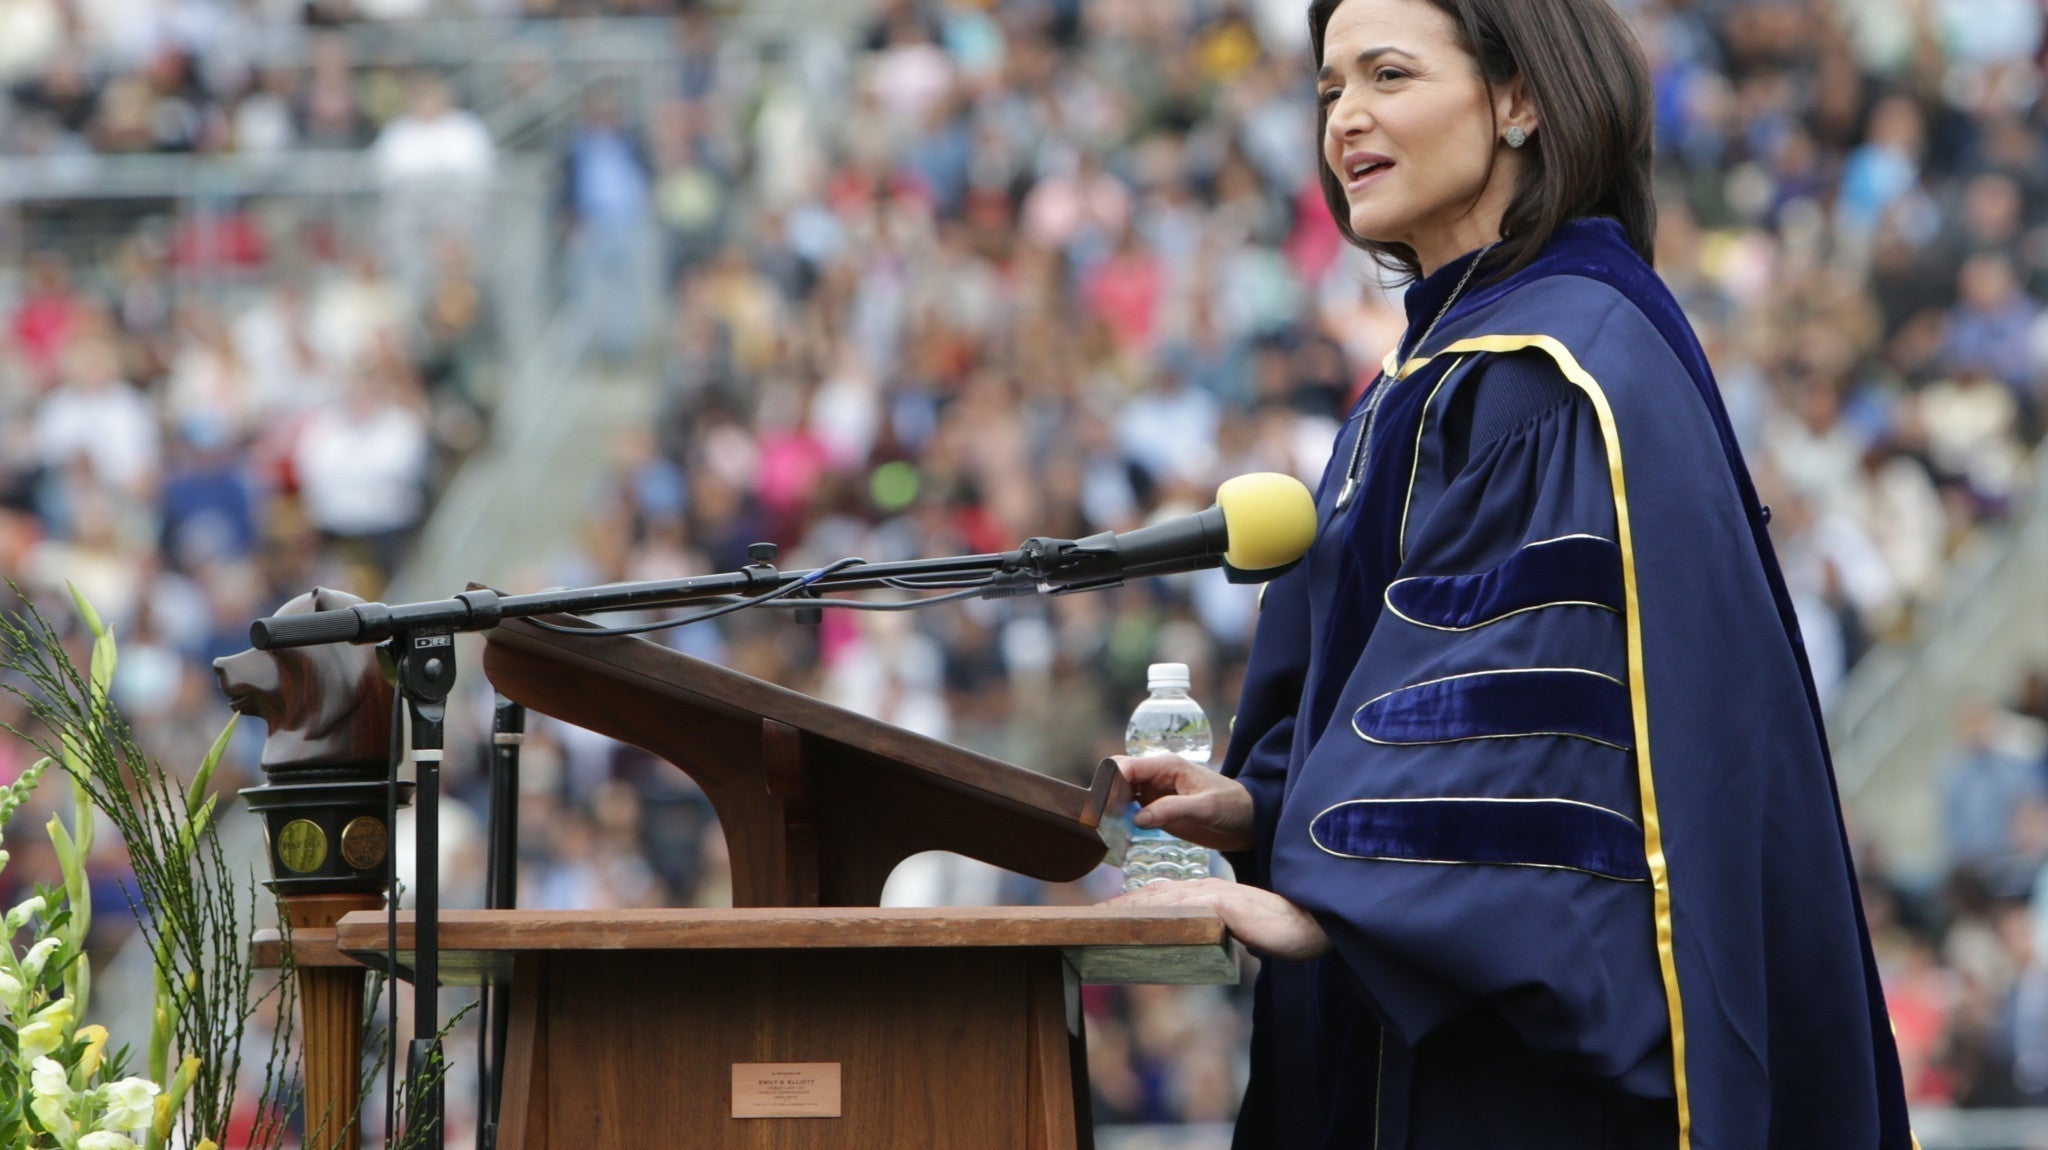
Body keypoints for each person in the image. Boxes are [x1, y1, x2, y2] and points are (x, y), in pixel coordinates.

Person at [1106, 0, 1915, 1146]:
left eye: (1388, 75)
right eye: (1329, 89)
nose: (1344, 119)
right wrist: (1262, 806)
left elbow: (1529, 740)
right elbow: (1389, 698)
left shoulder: (1553, 370)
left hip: (1525, 1085)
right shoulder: (1418, 379)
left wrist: (1339, 891)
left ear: (1520, 99)